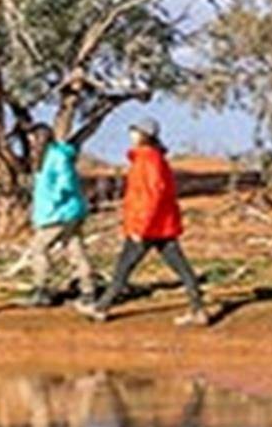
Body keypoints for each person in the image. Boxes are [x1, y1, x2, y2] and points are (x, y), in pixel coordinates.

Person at [83, 118, 210, 327]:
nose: (131, 135)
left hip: (147, 226)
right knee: (181, 268)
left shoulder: (146, 160)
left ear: (145, 135)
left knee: (123, 268)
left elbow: (150, 196)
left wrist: (139, 227)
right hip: (162, 224)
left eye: (135, 132)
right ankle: (198, 309)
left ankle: (100, 309)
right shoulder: (155, 159)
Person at [11, 122, 99, 308]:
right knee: (75, 249)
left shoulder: (56, 156)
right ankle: (88, 290)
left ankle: (41, 289)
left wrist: (53, 201)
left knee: (38, 248)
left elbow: (65, 183)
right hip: (66, 212)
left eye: (33, 138)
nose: (31, 142)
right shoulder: (50, 156)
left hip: (60, 214)